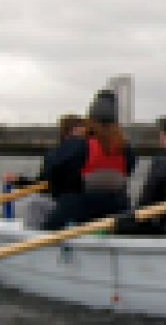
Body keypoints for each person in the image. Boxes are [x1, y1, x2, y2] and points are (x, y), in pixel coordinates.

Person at [39, 89, 137, 230]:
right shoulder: (127, 150)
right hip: (117, 209)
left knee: (54, 204)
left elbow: (49, 172)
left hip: (78, 209)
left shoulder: (79, 145)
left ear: (90, 120)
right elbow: (127, 171)